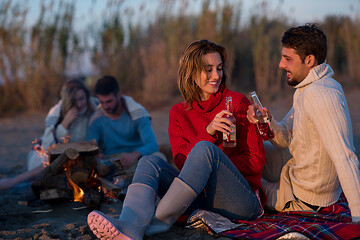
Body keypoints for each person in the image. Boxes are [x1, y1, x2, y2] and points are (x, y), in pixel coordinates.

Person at [87, 39, 266, 240]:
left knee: (205, 150)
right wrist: (208, 131)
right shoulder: (178, 112)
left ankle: (154, 223)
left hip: (241, 202)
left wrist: (216, 163)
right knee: (149, 161)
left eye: (219, 68)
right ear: (191, 73)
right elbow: (182, 162)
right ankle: (129, 225)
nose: (216, 76)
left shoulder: (238, 103)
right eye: (208, 69)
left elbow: (256, 162)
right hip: (199, 200)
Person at [246, 24, 360, 222]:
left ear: (309, 60)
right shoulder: (308, 87)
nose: (281, 65)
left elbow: (345, 156)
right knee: (246, 149)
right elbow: (286, 139)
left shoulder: (320, 94)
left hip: (303, 197)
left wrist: (357, 215)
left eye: (288, 59)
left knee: (244, 184)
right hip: (294, 171)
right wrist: (267, 122)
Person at [0, 78, 98, 191]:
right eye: (74, 101)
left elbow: (119, 101)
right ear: (68, 101)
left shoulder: (94, 105)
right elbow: (50, 145)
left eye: (82, 98)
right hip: (45, 155)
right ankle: (12, 182)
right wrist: (65, 123)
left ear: (86, 95)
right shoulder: (56, 111)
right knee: (54, 161)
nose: (80, 104)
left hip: (75, 157)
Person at [85, 75, 160, 183]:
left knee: (159, 158)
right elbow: (89, 146)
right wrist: (95, 154)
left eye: (109, 101)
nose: (105, 106)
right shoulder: (97, 118)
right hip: (112, 162)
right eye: (102, 102)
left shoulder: (137, 113)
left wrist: (135, 154)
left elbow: (152, 144)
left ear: (119, 95)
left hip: (137, 159)